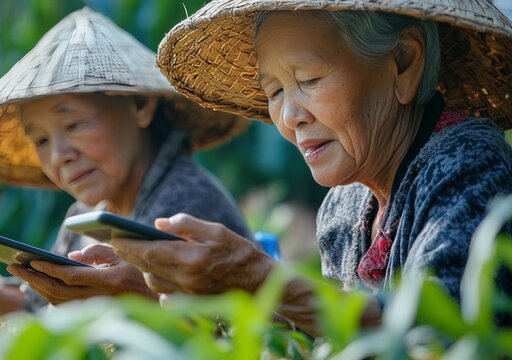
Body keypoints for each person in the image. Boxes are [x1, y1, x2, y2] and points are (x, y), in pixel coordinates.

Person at [109, 0, 512, 336]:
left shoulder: (469, 163)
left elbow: (437, 337)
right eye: (276, 91)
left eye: (311, 79)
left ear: (403, 63)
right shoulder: (343, 206)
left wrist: (260, 280)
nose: (289, 116)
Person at [0, 7, 251, 314]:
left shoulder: (184, 206)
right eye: (41, 140)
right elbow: (40, 307)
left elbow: (210, 323)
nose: (59, 155)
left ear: (140, 106)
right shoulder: (83, 217)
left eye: (74, 124)